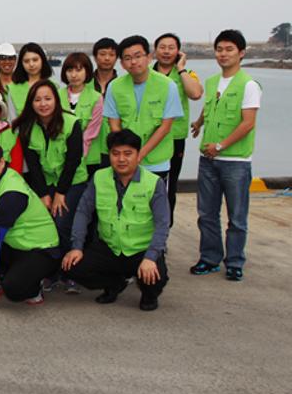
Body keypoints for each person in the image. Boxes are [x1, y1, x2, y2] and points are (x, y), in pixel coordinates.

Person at [62, 130, 170, 311]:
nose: (121, 159)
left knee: (156, 277)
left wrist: (151, 257)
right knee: (71, 267)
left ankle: (149, 294)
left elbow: (162, 224)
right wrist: (77, 247)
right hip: (109, 247)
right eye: (116, 153)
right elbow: (83, 212)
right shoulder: (99, 177)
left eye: (128, 154)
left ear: (138, 155)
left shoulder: (153, 183)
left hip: (140, 250)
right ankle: (114, 283)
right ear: (110, 155)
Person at [190, 29, 261, 282]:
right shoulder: (211, 82)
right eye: (219, 49)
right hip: (208, 160)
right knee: (206, 213)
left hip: (235, 162)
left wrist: (220, 146)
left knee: (237, 216)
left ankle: (234, 262)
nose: (223, 54)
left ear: (241, 53)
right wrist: (198, 123)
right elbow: (210, 109)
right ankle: (209, 258)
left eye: (229, 49)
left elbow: (247, 123)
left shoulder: (249, 85)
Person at [13, 80, 88, 292]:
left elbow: (73, 160)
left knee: (62, 222)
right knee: (45, 224)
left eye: (48, 98)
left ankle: (68, 272)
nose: (43, 104)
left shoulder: (72, 123)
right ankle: (51, 272)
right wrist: (44, 194)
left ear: (56, 99)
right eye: (37, 100)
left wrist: (61, 193)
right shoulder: (27, 127)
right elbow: (33, 165)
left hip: (72, 182)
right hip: (45, 183)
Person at [0, 143, 61, 308]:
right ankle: (3, 273)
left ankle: (36, 286)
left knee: (13, 289)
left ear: (2, 162)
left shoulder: (11, 195)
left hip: (42, 250)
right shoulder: (1, 177)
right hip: (19, 242)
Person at [104, 35, 183, 187]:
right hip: (125, 162)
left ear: (149, 57)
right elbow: (114, 124)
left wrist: (139, 154)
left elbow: (165, 127)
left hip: (157, 162)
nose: (133, 62)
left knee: (156, 206)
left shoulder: (168, 85)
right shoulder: (114, 86)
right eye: (127, 58)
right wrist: (126, 154)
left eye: (138, 56)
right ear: (121, 63)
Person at [153, 33, 203, 225]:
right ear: (155, 50)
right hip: (151, 136)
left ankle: (165, 230)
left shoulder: (187, 74)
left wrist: (181, 69)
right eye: (162, 47)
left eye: (171, 47)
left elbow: (196, 93)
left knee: (170, 186)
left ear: (179, 52)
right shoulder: (147, 73)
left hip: (174, 137)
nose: (166, 52)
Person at [61, 52, 105, 177]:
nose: (74, 75)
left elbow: (92, 132)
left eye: (79, 70)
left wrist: (76, 156)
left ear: (87, 71)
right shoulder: (57, 95)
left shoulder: (96, 97)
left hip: (89, 158)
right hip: (60, 157)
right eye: (70, 70)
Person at [92, 37, 119, 168]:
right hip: (89, 147)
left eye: (111, 55)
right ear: (95, 57)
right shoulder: (84, 84)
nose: (107, 58)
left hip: (114, 145)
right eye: (102, 54)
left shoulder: (122, 85)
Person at [7, 42, 54, 118]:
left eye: (35, 60)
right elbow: (12, 120)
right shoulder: (13, 89)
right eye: (26, 61)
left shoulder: (54, 86)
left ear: (42, 60)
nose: (31, 64)